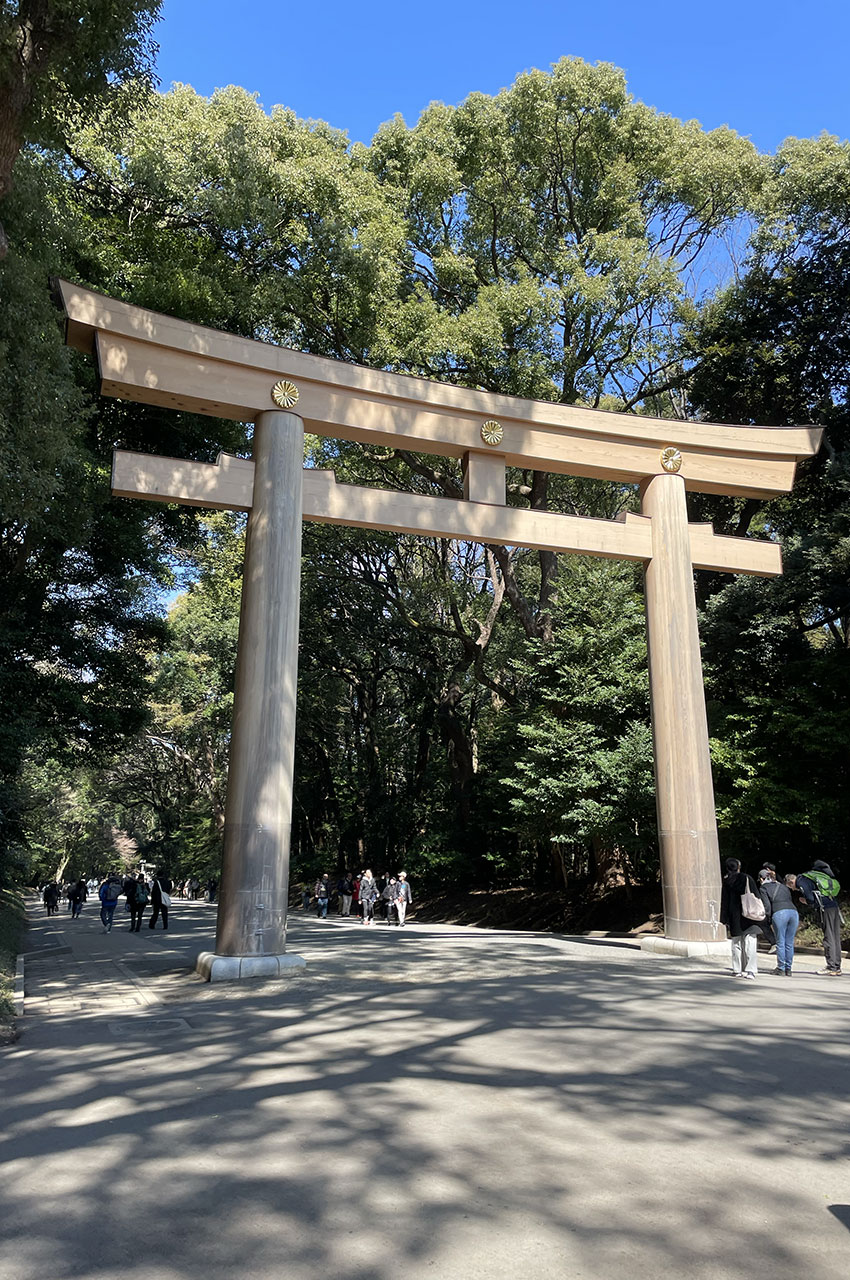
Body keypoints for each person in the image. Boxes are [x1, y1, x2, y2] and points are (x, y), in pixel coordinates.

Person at [796, 860, 843, 976]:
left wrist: (805, 901)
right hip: (834, 906)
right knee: (835, 936)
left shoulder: (804, 878)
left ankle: (831, 966)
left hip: (824, 908)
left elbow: (810, 898)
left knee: (828, 936)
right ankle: (837, 966)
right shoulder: (824, 876)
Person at [719, 858, 762, 980]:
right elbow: (756, 895)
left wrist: (724, 918)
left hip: (734, 915)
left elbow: (725, 900)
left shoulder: (727, 880)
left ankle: (737, 969)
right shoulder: (746, 878)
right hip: (749, 913)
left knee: (736, 943)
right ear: (738, 866)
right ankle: (750, 970)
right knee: (750, 942)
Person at [758, 868, 798, 976]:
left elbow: (767, 906)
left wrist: (768, 919)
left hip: (780, 913)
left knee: (780, 942)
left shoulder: (764, 888)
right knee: (789, 942)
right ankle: (788, 969)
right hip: (793, 912)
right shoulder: (783, 886)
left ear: (762, 879)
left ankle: (781, 968)